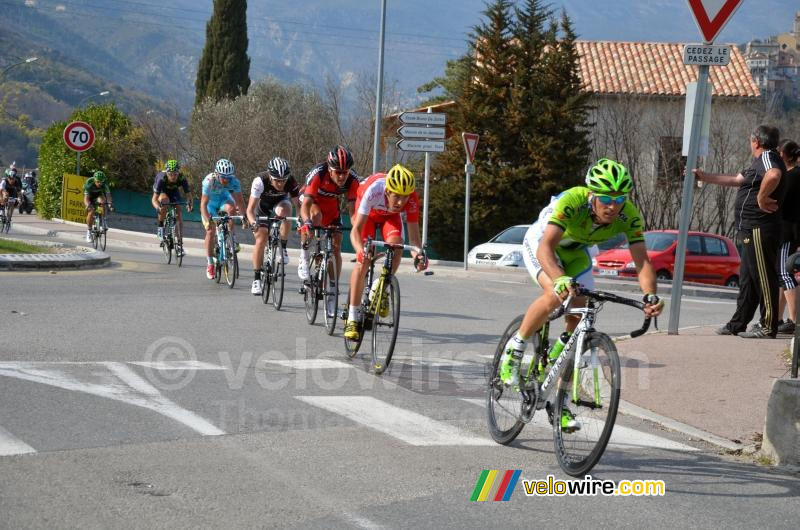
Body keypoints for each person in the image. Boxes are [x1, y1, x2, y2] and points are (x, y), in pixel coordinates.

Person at [498, 158, 664, 429]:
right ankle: (514, 350)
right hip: (542, 244)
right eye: (605, 198)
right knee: (556, 293)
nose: (613, 206)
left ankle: (559, 402)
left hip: (576, 253)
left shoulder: (629, 215)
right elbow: (545, 248)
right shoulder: (572, 201)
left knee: (580, 316)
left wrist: (650, 296)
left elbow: (642, 261)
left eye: (620, 198)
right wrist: (560, 278)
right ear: (591, 194)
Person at [695, 125, 786, 339]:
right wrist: (704, 176)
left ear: (756, 141)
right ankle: (738, 323)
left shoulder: (768, 158)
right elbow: (737, 180)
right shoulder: (758, 162)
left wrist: (761, 198)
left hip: (759, 228)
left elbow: (774, 174)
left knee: (763, 277)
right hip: (749, 229)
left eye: (750, 140)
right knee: (748, 279)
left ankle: (767, 326)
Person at [344, 164, 428, 341]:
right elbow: (355, 231)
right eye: (396, 196)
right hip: (367, 216)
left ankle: (382, 287)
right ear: (388, 191)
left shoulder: (411, 198)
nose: (400, 202)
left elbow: (414, 239)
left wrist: (419, 256)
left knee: (397, 244)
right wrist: (360, 251)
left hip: (389, 218)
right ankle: (352, 316)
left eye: (404, 198)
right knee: (364, 261)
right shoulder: (374, 190)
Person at [298, 146, 360, 308]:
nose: (341, 176)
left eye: (345, 172)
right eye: (337, 172)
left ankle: (333, 288)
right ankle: (304, 257)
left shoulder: (353, 180)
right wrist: (306, 222)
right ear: (330, 169)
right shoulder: (319, 173)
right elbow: (305, 206)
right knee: (315, 218)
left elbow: (353, 212)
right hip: (311, 202)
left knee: (337, 244)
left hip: (331, 209)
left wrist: (357, 229)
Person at [246, 157, 301, 295]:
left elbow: (298, 207)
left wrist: (301, 220)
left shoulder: (291, 181)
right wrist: (254, 223)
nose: (281, 184)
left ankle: (283, 246)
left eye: (283, 180)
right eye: (277, 180)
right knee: (261, 238)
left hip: (280, 204)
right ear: (270, 176)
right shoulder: (260, 181)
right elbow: (250, 210)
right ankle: (257, 279)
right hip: (262, 207)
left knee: (286, 211)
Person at [200, 158, 247, 280]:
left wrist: (243, 218)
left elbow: (240, 202)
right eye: (223, 177)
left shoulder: (234, 181)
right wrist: (207, 221)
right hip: (210, 205)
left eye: (229, 177)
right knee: (210, 232)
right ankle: (210, 263)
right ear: (217, 174)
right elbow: (203, 204)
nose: (226, 180)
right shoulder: (209, 181)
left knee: (231, 209)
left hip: (223, 200)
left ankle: (232, 238)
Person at [776, 139, 800, 334]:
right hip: (788, 230)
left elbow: (781, 202)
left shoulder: (792, 176)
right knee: (782, 274)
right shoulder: (792, 174)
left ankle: (793, 320)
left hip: (787, 230)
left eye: (779, 152)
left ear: (785, 155)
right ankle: (777, 318)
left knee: (785, 274)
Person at [151, 159, 193, 255]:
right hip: (162, 191)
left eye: (175, 174)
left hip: (174, 192)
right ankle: (160, 226)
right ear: (166, 173)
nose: (173, 176)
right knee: (165, 201)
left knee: (179, 215)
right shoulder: (162, 178)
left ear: (179, 173)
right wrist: (158, 208)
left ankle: (179, 245)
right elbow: (153, 199)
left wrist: (190, 204)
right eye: (170, 174)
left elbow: (189, 195)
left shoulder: (182, 178)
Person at [83, 170, 114, 242]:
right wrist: (88, 205)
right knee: (91, 211)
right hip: (89, 196)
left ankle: (104, 220)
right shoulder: (89, 183)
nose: (100, 183)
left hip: (98, 195)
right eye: (98, 181)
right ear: (94, 180)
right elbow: (86, 199)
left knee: (102, 202)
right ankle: (89, 232)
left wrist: (109, 204)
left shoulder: (104, 184)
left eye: (101, 181)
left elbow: (108, 196)